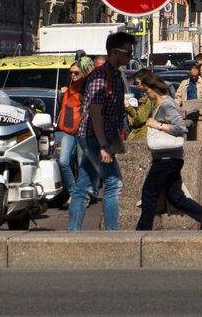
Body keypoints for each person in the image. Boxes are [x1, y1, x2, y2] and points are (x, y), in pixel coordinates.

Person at [68, 31, 133, 231]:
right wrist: (104, 145)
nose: (130, 57)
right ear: (114, 52)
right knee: (114, 183)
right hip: (93, 137)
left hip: (95, 137)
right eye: (128, 53)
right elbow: (95, 112)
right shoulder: (101, 75)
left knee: (83, 188)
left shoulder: (114, 74)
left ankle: (73, 233)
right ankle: (112, 234)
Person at [135, 71, 202, 230]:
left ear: (154, 88)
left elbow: (180, 127)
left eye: (147, 90)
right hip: (171, 158)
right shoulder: (162, 104)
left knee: (149, 194)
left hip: (167, 159)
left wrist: (156, 125)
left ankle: (142, 231)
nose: (146, 94)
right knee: (176, 198)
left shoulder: (166, 104)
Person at [55, 57, 93, 205]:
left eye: (76, 73)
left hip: (83, 130)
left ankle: (84, 195)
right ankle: (74, 192)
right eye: (71, 73)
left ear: (83, 73)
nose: (73, 75)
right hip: (68, 130)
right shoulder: (68, 89)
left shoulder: (86, 88)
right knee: (63, 161)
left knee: (83, 163)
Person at [125, 70, 155, 141]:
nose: (136, 85)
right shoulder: (148, 97)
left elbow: (140, 118)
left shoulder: (149, 99)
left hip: (143, 135)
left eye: (138, 83)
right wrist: (128, 106)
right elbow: (139, 115)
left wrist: (131, 122)